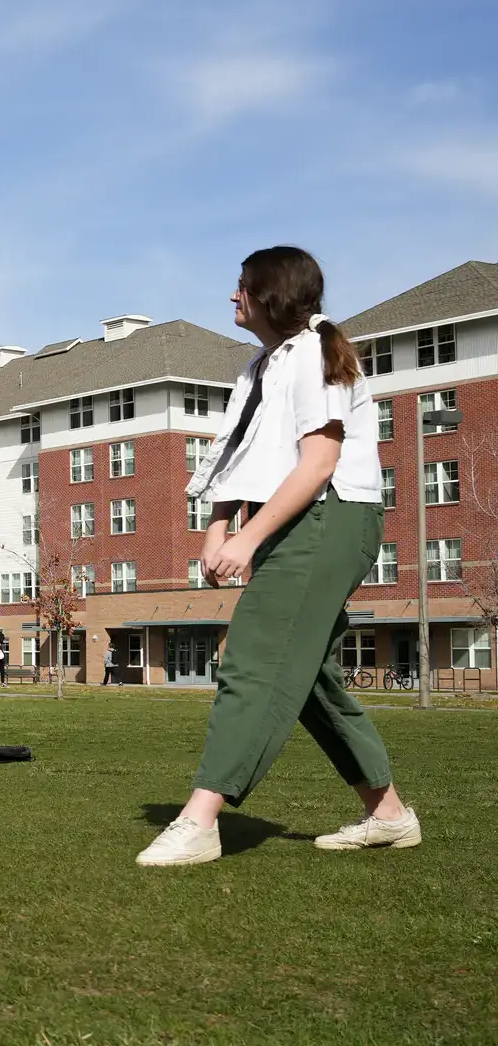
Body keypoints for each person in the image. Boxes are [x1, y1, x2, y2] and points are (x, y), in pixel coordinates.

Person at [139, 247, 417, 867]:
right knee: (308, 677)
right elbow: (241, 456)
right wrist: (216, 528)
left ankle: (200, 818)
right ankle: (389, 814)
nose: (231, 297)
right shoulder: (259, 367)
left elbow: (318, 463)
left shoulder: (314, 356)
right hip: (296, 520)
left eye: (241, 288)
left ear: (271, 295)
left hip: (331, 515)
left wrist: (247, 537)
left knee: (253, 658)